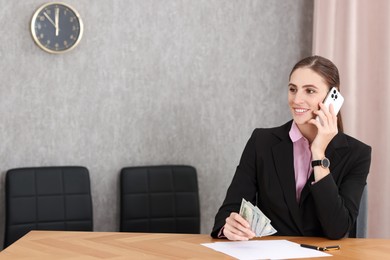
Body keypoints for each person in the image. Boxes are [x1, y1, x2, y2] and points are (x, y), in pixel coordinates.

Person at [211, 55, 372, 240]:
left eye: (309, 91)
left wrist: (318, 153)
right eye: (293, 89)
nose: (297, 99)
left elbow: (337, 229)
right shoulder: (261, 142)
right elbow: (228, 211)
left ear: (332, 98)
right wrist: (229, 226)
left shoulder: (357, 154)